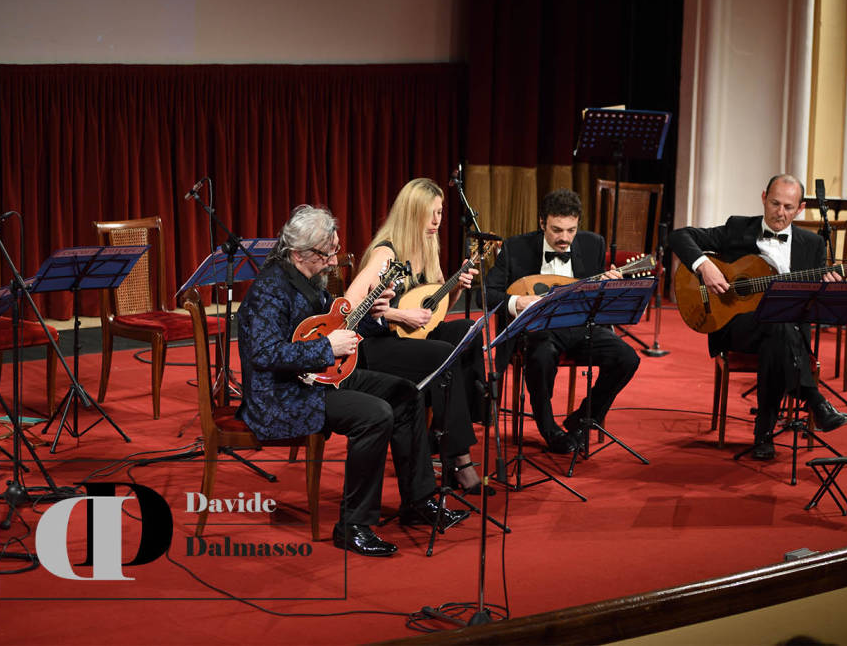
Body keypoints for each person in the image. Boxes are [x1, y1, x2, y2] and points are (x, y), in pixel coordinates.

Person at [236, 204, 467, 557]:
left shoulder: (309, 279)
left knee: (405, 394)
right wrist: (326, 348)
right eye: (326, 254)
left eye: (334, 251)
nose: (333, 261)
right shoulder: (269, 289)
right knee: (374, 414)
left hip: (317, 378)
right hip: (281, 395)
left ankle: (418, 501)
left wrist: (375, 318)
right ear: (298, 253)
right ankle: (353, 526)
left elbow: (338, 325)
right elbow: (264, 355)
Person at [669, 173, 847, 460]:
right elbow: (678, 235)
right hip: (735, 326)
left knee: (777, 327)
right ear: (764, 198)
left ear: (801, 208)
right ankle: (812, 398)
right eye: (775, 203)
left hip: (782, 333)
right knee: (776, 326)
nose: (780, 212)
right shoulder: (738, 228)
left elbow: (813, 306)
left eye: (788, 207)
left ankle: (764, 433)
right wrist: (704, 266)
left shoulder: (812, 245)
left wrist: (825, 287)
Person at [345, 178, 492, 495]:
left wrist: (456, 288)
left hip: (416, 337)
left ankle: (449, 430)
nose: (438, 221)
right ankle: (459, 458)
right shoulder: (386, 254)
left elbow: (434, 310)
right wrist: (399, 314)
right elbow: (349, 306)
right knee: (442, 353)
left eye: (441, 212)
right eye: (431, 213)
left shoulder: (429, 247)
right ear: (412, 213)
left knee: (467, 331)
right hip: (378, 345)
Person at [484, 188, 641, 454]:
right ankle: (549, 429)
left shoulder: (593, 244)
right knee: (541, 356)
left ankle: (582, 419)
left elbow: (596, 296)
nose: (565, 238)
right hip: (537, 330)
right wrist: (517, 302)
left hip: (580, 327)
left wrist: (608, 286)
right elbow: (487, 293)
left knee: (627, 357)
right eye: (557, 230)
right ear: (542, 222)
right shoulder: (515, 247)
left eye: (571, 230)